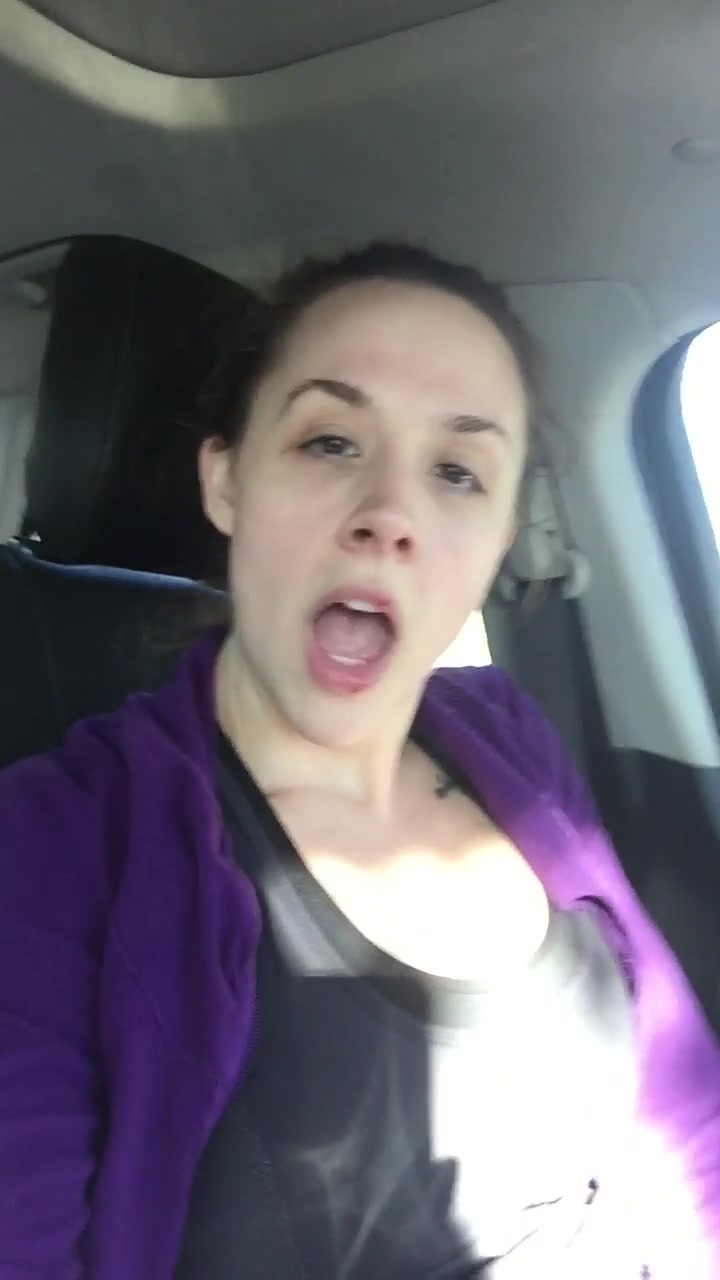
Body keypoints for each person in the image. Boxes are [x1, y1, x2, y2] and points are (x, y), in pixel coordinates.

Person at [1, 242, 719, 1280]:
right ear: (225, 480)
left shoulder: (506, 735)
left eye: (457, 471)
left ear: (500, 538)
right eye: (331, 441)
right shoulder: (50, 843)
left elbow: (683, 1115)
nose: (390, 514)